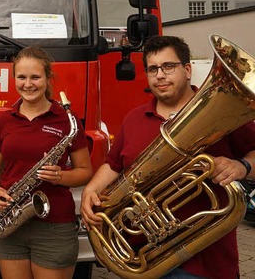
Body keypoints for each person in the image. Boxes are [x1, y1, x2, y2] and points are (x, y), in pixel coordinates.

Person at [81, 35, 255, 279]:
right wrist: (91, 189)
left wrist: (242, 166)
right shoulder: (134, 118)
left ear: (186, 70)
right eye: (152, 69)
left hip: (207, 264)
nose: (160, 75)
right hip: (144, 260)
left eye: (168, 66)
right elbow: (114, 165)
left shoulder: (222, 112)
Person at [0, 46, 93, 279]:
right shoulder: (6, 119)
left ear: (48, 78)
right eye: (21, 77)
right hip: (11, 222)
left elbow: (85, 172)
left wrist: (60, 176)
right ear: (14, 78)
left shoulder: (67, 120)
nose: (28, 84)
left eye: (35, 77)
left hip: (54, 225)